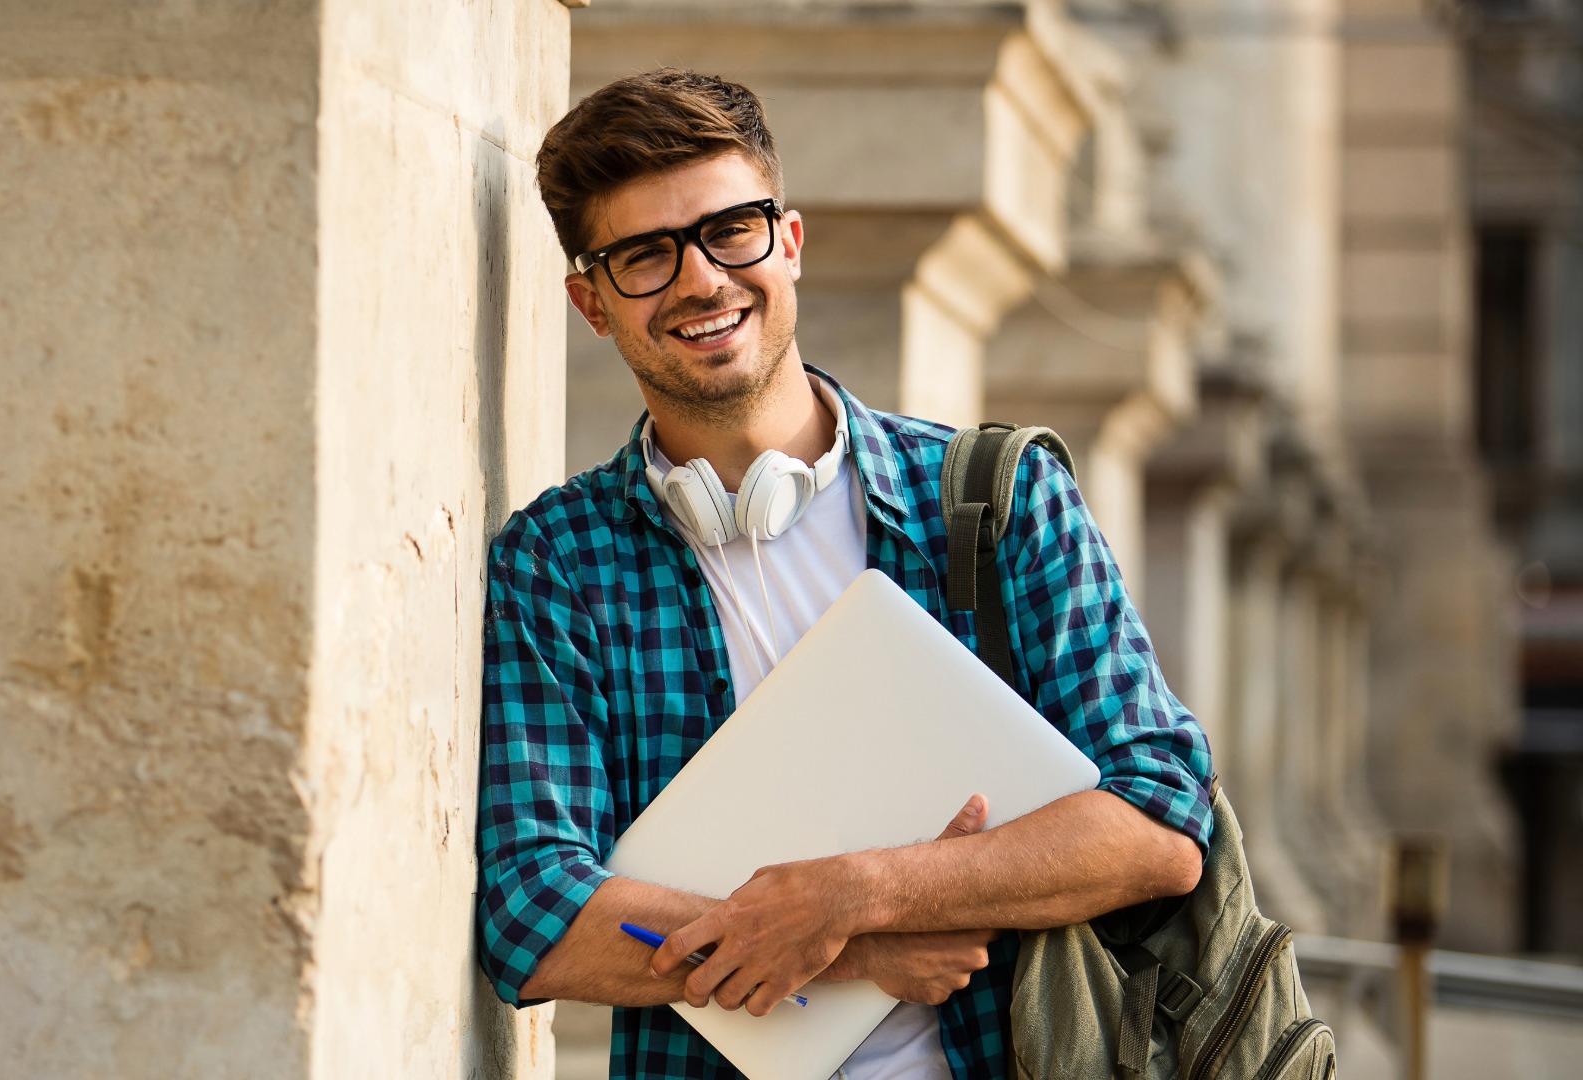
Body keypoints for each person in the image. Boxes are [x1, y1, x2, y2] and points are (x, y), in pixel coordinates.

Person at [474, 69, 1214, 1080]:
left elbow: (1160, 821)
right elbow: (534, 909)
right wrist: (853, 950)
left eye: (730, 231)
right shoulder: (556, 563)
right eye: (644, 256)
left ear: (789, 241)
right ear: (590, 303)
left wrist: (855, 894)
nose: (699, 281)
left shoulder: (999, 502)